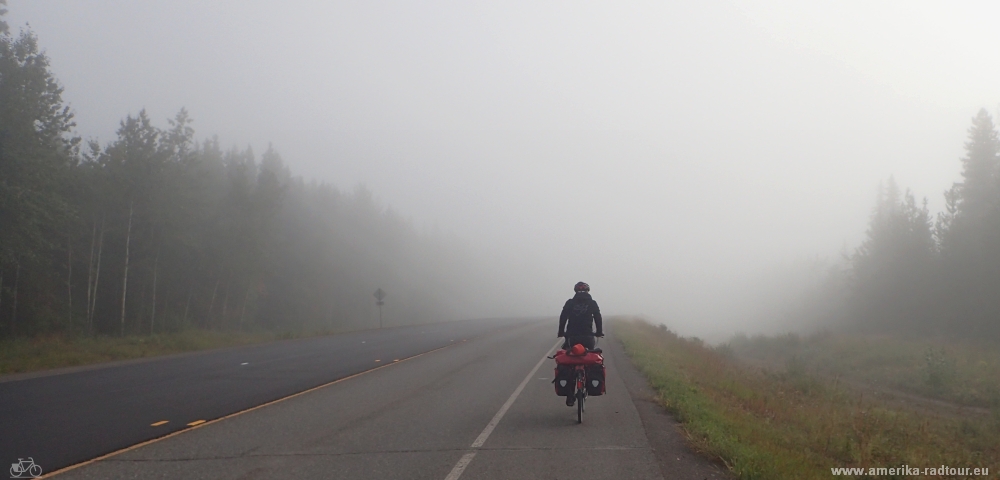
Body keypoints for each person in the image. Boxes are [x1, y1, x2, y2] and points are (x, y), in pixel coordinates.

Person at [558, 281, 604, 351]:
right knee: (590, 354)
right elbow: (598, 318)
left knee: (568, 353)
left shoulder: (570, 303)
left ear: (575, 291)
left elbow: (563, 318)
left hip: (572, 336)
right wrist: (599, 332)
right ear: (587, 291)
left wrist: (561, 332)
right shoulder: (592, 303)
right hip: (588, 336)